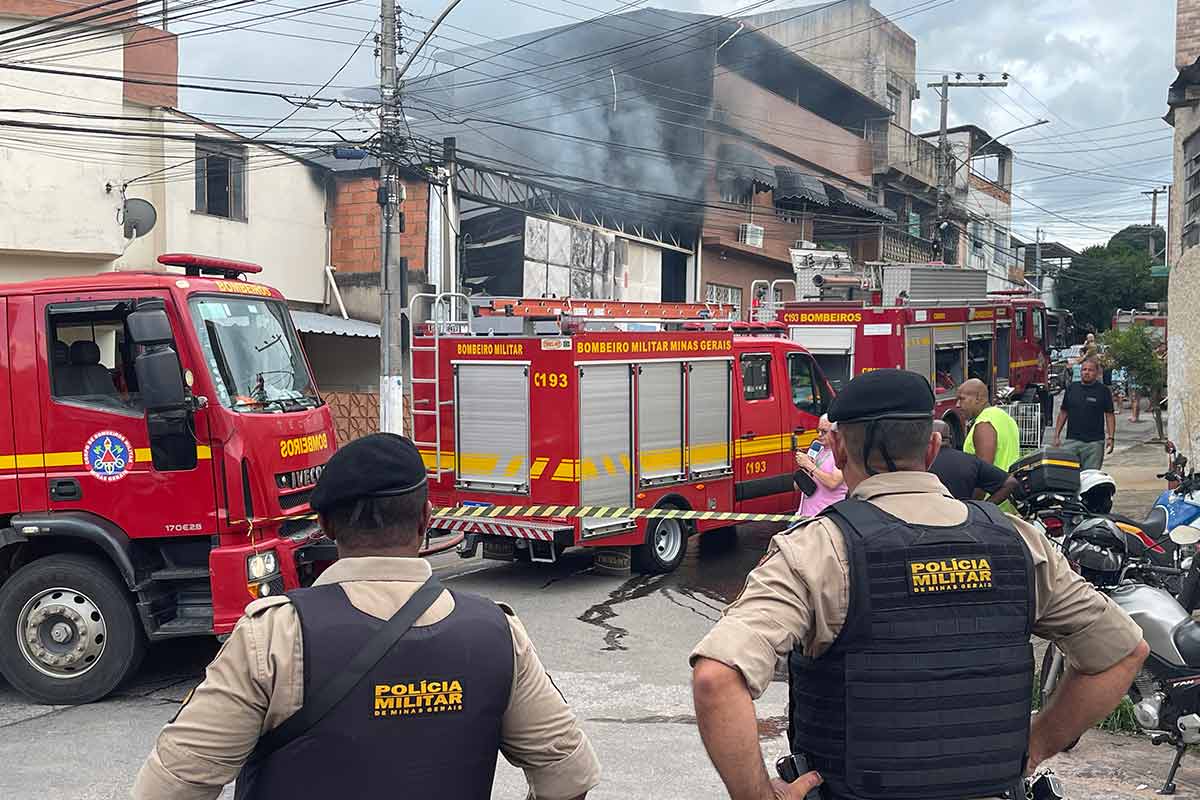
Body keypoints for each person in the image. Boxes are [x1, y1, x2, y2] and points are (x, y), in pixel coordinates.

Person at [691, 369, 1147, 800]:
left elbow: (717, 677)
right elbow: (1124, 651)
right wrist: (1036, 743)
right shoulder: (1019, 544)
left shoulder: (816, 550)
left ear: (839, 449)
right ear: (931, 449)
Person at [133, 433, 600, 800]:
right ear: (424, 519)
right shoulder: (497, 632)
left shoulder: (274, 634)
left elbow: (170, 788)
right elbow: (568, 775)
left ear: (326, 526)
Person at [928, 419, 1020, 505]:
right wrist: (984, 508)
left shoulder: (921, 463)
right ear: (950, 438)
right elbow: (1010, 483)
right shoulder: (970, 461)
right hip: (962, 518)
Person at [1054, 356, 1116, 470]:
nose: (1086, 372)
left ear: (1097, 373)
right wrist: (1057, 435)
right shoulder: (1072, 388)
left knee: (1091, 478)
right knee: (1068, 476)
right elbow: (1063, 412)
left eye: (1090, 370)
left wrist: (1111, 438)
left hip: (1094, 443)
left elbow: (1109, 415)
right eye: (1084, 369)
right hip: (1072, 441)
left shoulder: (1103, 391)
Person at [955, 378, 1021, 472]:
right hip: (1007, 482)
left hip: (994, 486)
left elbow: (984, 473)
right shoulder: (1003, 416)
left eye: (962, 399)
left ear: (978, 398)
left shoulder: (984, 424)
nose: (957, 405)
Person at [794, 414, 847, 515]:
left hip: (827, 517)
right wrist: (803, 468)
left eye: (824, 432)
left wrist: (809, 465)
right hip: (805, 515)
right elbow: (797, 487)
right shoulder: (817, 448)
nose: (819, 435)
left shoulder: (841, 452)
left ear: (837, 432)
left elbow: (833, 482)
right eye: (818, 431)